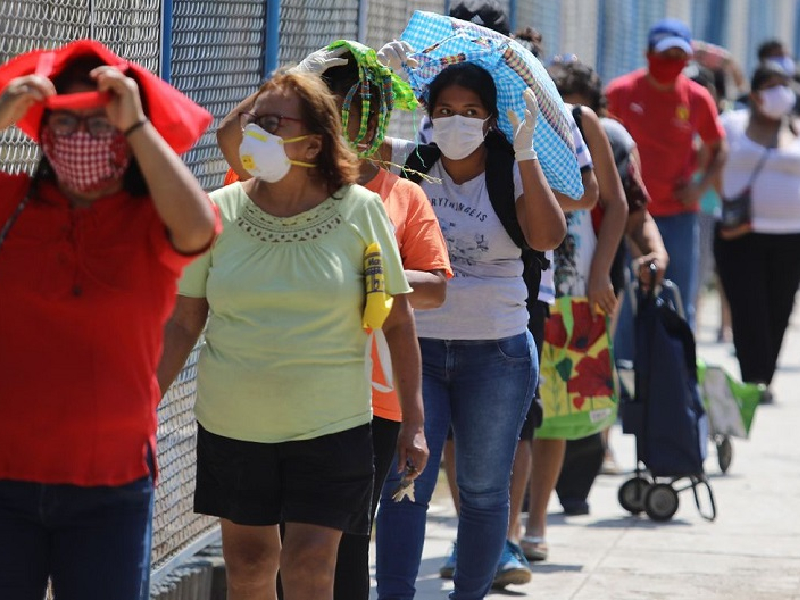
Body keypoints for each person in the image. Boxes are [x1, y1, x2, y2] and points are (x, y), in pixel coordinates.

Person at [157, 70, 429, 600]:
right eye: (253, 120)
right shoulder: (217, 212)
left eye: (272, 123)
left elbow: (398, 321)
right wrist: (142, 407)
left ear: (313, 141)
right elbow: (184, 321)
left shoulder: (361, 211)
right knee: (252, 567)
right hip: (233, 424)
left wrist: (413, 421)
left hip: (331, 425)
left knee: (308, 568)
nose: (255, 131)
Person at [215, 43, 452, 600]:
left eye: (366, 109)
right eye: (339, 107)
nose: (356, 121)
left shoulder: (398, 198)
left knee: (334, 549)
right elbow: (230, 139)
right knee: (258, 553)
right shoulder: (269, 180)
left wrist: (367, 279)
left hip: (365, 401)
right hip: (263, 387)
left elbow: (433, 289)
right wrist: (294, 80)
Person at [0, 41, 219, 600]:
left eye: (100, 125)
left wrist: (139, 125)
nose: (81, 140)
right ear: (42, 131)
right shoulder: (12, 202)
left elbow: (199, 228)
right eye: (65, 123)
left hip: (111, 485)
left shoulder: (150, 217)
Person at [373, 49, 568, 598]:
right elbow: (346, 151)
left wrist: (526, 151)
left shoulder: (510, 167)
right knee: (405, 480)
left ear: (490, 118)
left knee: (484, 490)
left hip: (497, 355)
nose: (458, 120)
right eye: (447, 108)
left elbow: (548, 237)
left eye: (471, 109)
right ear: (429, 114)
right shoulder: (411, 163)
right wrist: (379, 84)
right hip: (418, 351)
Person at [542, 58, 669, 520]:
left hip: (591, 289)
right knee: (536, 400)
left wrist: (651, 251)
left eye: (580, 111)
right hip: (532, 289)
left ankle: (575, 487)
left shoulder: (612, 142)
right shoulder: (527, 132)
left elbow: (633, 213)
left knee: (579, 388)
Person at [516, 58, 629, 561]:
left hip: (572, 287)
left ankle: (537, 520)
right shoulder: (500, 118)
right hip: (514, 287)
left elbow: (617, 205)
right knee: (517, 414)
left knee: (556, 415)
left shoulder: (585, 122)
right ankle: (507, 526)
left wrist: (602, 272)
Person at [606, 18, 726, 336]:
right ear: (648, 53)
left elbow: (718, 148)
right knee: (626, 297)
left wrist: (699, 187)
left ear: (687, 60)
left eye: (678, 56)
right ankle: (626, 375)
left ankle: (677, 377)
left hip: (679, 216)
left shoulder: (698, 98)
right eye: (665, 55)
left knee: (678, 298)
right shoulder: (620, 93)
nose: (671, 63)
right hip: (629, 217)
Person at [714, 64, 800, 405]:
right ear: (755, 94)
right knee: (747, 304)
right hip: (740, 235)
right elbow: (710, 161)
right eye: (772, 85)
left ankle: (765, 374)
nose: (781, 92)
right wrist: (724, 199)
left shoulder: (796, 129)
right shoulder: (732, 125)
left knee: (779, 307)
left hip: (790, 236)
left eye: (785, 85)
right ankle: (753, 375)